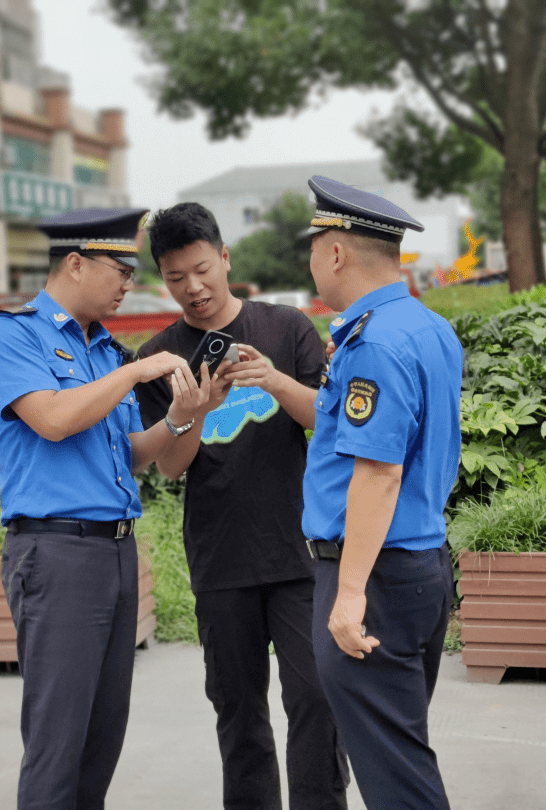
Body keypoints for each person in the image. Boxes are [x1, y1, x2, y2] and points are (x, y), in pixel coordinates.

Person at [0, 207, 228, 810]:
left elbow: (135, 455)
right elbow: (55, 419)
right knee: (57, 740)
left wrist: (188, 412)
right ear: (74, 263)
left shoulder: (104, 352)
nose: (127, 284)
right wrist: (140, 368)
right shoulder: (15, 334)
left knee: (100, 736)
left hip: (115, 551)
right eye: (119, 270)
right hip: (56, 552)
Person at [135, 202, 349, 810]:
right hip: (221, 561)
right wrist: (196, 407)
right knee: (237, 709)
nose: (193, 288)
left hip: (299, 554)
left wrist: (275, 380)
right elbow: (171, 467)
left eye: (202, 270)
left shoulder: (286, 328)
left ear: (225, 259)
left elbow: (326, 425)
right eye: (176, 278)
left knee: (316, 701)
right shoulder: (162, 355)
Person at [300, 175, 463, 809]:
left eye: (313, 247)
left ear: (335, 251)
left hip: (374, 577)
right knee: (399, 747)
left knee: (396, 776)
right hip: (417, 567)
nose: (311, 262)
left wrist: (348, 596)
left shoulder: (375, 343)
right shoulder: (427, 328)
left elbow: (378, 472)